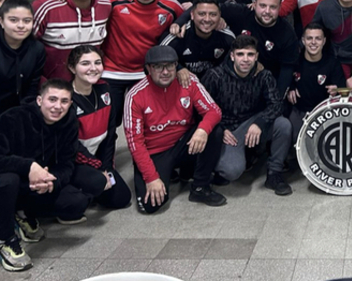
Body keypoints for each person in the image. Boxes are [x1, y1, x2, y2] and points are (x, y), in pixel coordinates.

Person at [0, 79, 90, 272]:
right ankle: (5, 238)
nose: (58, 106)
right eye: (53, 99)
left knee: (76, 201)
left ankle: (22, 213)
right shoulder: (12, 118)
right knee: (9, 181)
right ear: (40, 100)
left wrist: (52, 183)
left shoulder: (69, 123)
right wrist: (29, 167)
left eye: (64, 101)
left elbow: (67, 164)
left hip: (36, 184)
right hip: (9, 180)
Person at [124, 46, 225, 213]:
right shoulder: (135, 96)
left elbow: (214, 111)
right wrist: (151, 178)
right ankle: (167, 172)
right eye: (158, 66)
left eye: (170, 65)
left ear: (176, 66)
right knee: (151, 206)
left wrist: (202, 130)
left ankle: (200, 187)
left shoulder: (188, 82)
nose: (165, 71)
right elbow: (135, 143)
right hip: (155, 152)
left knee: (215, 130)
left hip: (182, 144)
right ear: (148, 68)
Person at [202, 36, 292, 194]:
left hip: (251, 123)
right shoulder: (215, 76)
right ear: (232, 56)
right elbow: (202, 108)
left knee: (283, 125)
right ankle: (235, 158)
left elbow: (276, 104)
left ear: (256, 56)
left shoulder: (264, 76)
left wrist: (259, 123)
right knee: (231, 171)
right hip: (227, 129)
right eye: (240, 54)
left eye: (250, 55)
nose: (245, 59)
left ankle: (274, 174)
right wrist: (219, 130)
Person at [99, 0, 184, 128]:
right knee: (109, 123)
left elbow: (188, 21)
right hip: (112, 71)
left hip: (147, 73)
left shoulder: (170, 6)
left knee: (148, 123)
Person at [67, 46, 131, 210]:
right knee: (93, 187)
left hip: (96, 160)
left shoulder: (105, 90)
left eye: (97, 62)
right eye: (85, 63)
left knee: (122, 198)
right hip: (73, 162)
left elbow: (110, 136)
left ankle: (90, 190)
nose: (93, 68)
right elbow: (72, 146)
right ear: (72, 68)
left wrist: (108, 169)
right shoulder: (66, 99)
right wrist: (99, 168)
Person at [32, 0, 111, 81]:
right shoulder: (46, 7)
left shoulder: (105, 5)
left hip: (90, 85)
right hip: (54, 87)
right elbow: (27, 48)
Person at [219, 0, 299, 98]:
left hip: (264, 86)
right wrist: (217, 18)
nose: (267, 11)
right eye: (262, 6)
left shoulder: (287, 33)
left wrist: (277, 99)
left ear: (280, 7)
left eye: (273, 7)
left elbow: (287, 70)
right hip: (232, 81)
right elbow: (205, 7)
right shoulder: (241, 13)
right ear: (254, 4)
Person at [287, 24, 346, 142]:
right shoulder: (294, 61)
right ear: (303, 40)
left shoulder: (333, 63)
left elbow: (342, 91)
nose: (313, 42)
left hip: (325, 114)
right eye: (309, 38)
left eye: (318, 38)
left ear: (324, 41)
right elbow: (283, 80)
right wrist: (290, 88)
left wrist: (337, 90)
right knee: (295, 144)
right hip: (299, 112)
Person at [160, 0, 235, 78]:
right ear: (192, 15)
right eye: (202, 14)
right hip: (182, 85)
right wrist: (178, 68)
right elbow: (159, 58)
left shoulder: (228, 38)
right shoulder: (178, 36)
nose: (207, 19)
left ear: (220, 16)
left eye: (213, 15)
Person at [0, 0, 45, 114]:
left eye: (27, 21)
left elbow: (33, 87)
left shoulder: (37, 49)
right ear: (1, 21)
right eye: (13, 20)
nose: (21, 26)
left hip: (21, 110)